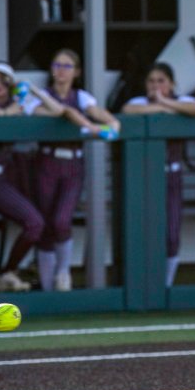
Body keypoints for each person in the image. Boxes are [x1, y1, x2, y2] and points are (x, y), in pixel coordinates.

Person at [31, 48, 121, 292]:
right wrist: (91, 127)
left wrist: (112, 123)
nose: (61, 71)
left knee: (62, 221)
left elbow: (99, 113)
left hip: (72, 164)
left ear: (77, 72)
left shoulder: (81, 97)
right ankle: (48, 289)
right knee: (45, 225)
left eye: (67, 66)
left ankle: (63, 272)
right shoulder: (41, 96)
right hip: (47, 162)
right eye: (57, 65)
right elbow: (56, 112)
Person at [0, 60, 62, 292]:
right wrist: (6, 113)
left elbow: (56, 111)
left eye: (3, 80)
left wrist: (33, 90)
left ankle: (8, 272)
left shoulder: (21, 103)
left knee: (35, 223)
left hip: (4, 178)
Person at [122, 62, 195, 287]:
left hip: (172, 176)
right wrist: (160, 108)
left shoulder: (181, 101)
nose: (156, 85)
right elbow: (128, 110)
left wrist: (165, 103)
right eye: (151, 81)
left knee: (171, 233)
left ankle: (166, 285)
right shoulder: (140, 102)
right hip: (145, 178)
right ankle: (144, 283)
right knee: (143, 231)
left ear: (172, 83)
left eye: (161, 81)